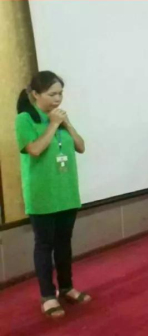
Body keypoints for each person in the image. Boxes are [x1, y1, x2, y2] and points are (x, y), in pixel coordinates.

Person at [15, 71, 90, 318]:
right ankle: (48, 295)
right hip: (42, 194)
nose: (58, 99)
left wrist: (66, 124)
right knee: (44, 245)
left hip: (67, 193)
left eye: (60, 94)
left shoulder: (61, 117)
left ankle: (67, 287)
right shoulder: (25, 119)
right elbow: (35, 149)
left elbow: (81, 146)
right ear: (36, 94)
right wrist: (54, 124)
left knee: (64, 244)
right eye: (52, 94)